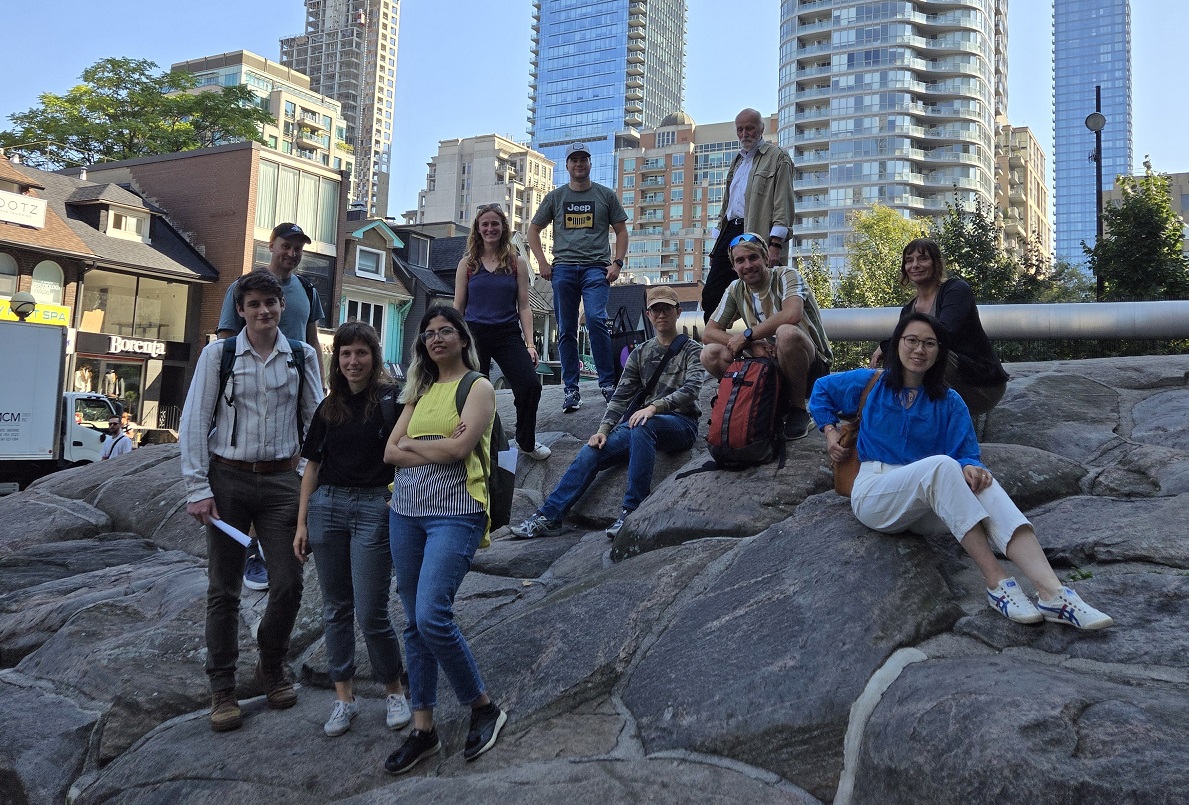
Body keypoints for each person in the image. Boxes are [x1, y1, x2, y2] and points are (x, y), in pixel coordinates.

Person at [810, 312, 1114, 630]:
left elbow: (967, 454)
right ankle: (997, 582)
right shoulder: (872, 383)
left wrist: (972, 467)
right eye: (911, 340)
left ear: (939, 351)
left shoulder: (950, 401)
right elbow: (820, 390)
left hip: (928, 504)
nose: (919, 349)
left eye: (929, 343)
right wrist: (830, 432)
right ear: (897, 344)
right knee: (942, 466)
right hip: (877, 493)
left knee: (983, 484)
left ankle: (1053, 592)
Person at [179, 271, 324, 732]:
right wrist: (197, 488)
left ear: (283, 306)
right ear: (240, 310)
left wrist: (307, 478)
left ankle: (271, 665)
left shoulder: (301, 356)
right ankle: (222, 689)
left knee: (288, 582)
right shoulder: (218, 355)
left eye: (271, 303)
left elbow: (315, 424)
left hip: (282, 484)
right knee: (224, 589)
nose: (264, 311)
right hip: (229, 481)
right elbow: (195, 421)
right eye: (254, 304)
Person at [382, 306, 507, 774]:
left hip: (456, 513)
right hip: (406, 512)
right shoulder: (418, 389)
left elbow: (459, 451)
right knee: (413, 621)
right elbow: (389, 451)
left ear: (461, 338)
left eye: (445, 332)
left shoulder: (476, 387)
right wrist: (423, 446)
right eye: (429, 334)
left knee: (433, 615)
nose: (436, 339)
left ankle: (481, 706)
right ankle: (423, 728)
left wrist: (415, 445)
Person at [511, 285, 706, 540]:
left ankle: (632, 511)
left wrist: (654, 407)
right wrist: (603, 430)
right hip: (643, 424)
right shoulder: (640, 352)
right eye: (655, 309)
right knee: (593, 449)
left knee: (642, 426)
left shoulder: (692, 350)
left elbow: (691, 389)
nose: (661, 315)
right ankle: (550, 516)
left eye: (666, 309)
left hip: (680, 422)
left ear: (678, 312)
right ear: (648, 314)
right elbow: (621, 396)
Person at [292, 321, 411, 738]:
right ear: (336, 360)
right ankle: (343, 698)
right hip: (327, 507)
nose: (353, 361)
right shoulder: (329, 408)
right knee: (335, 607)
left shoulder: (391, 401)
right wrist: (302, 522)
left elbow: (408, 453)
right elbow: (312, 467)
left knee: (371, 609)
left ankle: (394, 688)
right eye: (345, 354)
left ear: (373, 357)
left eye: (361, 353)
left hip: (373, 507)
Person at [217, 221, 327, 592]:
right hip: (252, 387)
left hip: (295, 384)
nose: (292, 254)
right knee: (253, 466)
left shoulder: (307, 289)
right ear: (271, 245)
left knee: (294, 463)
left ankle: (283, 540)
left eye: (298, 248)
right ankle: (252, 551)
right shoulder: (242, 287)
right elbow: (226, 341)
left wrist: (323, 387)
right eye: (286, 246)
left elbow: (312, 340)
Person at [528, 142, 629, 413]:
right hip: (563, 269)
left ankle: (608, 384)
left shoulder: (605, 196)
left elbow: (621, 231)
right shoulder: (556, 197)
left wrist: (617, 263)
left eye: (583, 159)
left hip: (596, 269)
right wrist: (542, 262)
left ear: (590, 164)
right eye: (574, 160)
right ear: (567, 165)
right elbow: (533, 230)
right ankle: (571, 389)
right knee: (566, 329)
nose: (579, 164)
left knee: (596, 318)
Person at [701, 232, 832, 441]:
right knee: (710, 354)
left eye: (753, 258)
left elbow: (792, 314)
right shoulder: (735, 288)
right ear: (734, 267)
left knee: (786, 333)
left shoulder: (786, 275)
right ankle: (766, 404)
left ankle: (799, 410)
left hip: (810, 366)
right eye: (740, 261)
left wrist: (748, 337)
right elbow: (709, 333)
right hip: (768, 363)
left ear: (765, 258)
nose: (747, 265)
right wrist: (750, 345)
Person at [455, 203, 550, 461]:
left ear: (503, 228)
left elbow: (524, 306)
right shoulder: (468, 264)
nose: (489, 229)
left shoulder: (516, 262)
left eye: (494, 224)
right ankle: (477, 443)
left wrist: (530, 344)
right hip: (474, 335)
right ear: (477, 229)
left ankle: (526, 441)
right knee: (475, 393)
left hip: (507, 333)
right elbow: (458, 307)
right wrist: (456, 340)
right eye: (484, 224)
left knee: (530, 385)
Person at [870, 238, 1009, 416]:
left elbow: (943, 333)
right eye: (909, 260)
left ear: (936, 263)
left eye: (923, 259)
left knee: (928, 350)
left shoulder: (956, 290)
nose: (915, 265)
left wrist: (886, 345)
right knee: (900, 354)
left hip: (981, 385)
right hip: (944, 384)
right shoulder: (908, 310)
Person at [702, 109, 795, 322]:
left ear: (761, 129)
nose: (745, 134)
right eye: (740, 129)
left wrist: (775, 245)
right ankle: (717, 350)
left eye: (750, 128)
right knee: (712, 296)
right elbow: (728, 203)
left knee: (765, 297)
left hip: (758, 233)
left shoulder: (778, 158)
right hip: (731, 233)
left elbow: (783, 203)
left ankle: (767, 349)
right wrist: (718, 247)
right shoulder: (737, 161)